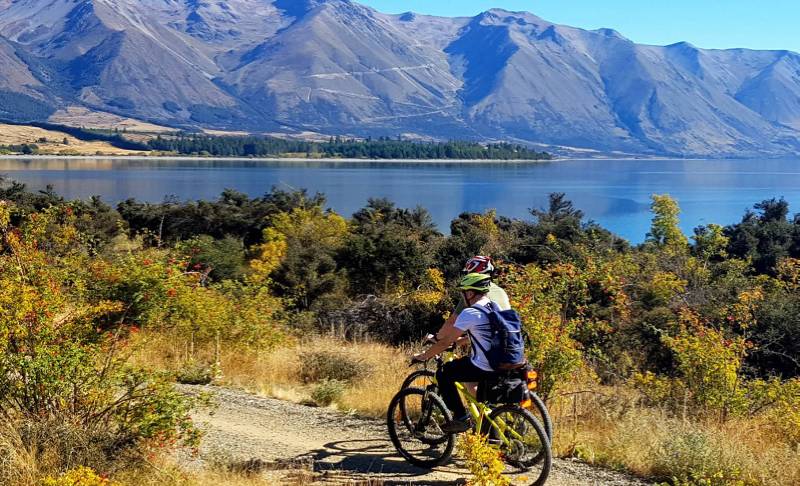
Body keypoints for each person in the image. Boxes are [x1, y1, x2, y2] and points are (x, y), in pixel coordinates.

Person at [412, 272, 498, 433]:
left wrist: (424, 356)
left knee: (444, 373)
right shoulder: (495, 307)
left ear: (470, 293)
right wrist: (459, 342)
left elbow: (445, 342)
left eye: (463, 292)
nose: (463, 296)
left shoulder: (470, 312)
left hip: (484, 365)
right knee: (478, 393)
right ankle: (492, 433)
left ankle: (460, 417)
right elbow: (482, 335)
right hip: (504, 362)